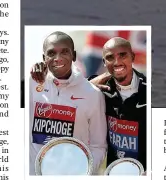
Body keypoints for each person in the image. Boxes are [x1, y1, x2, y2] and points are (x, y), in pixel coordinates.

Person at [28, 31, 108, 174]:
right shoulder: (32, 85)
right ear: (43, 58)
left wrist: (83, 171)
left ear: (74, 56)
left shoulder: (92, 94)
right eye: (51, 53)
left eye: (64, 52)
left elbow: (99, 146)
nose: (58, 58)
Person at [89, 37, 148, 170]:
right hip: (114, 171)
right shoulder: (98, 89)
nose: (117, 62)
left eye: (122, 55)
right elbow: (68, 95)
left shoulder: (149, 90)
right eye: (110, 57)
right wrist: (89, 86)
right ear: (104, 62)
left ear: (132, 57)